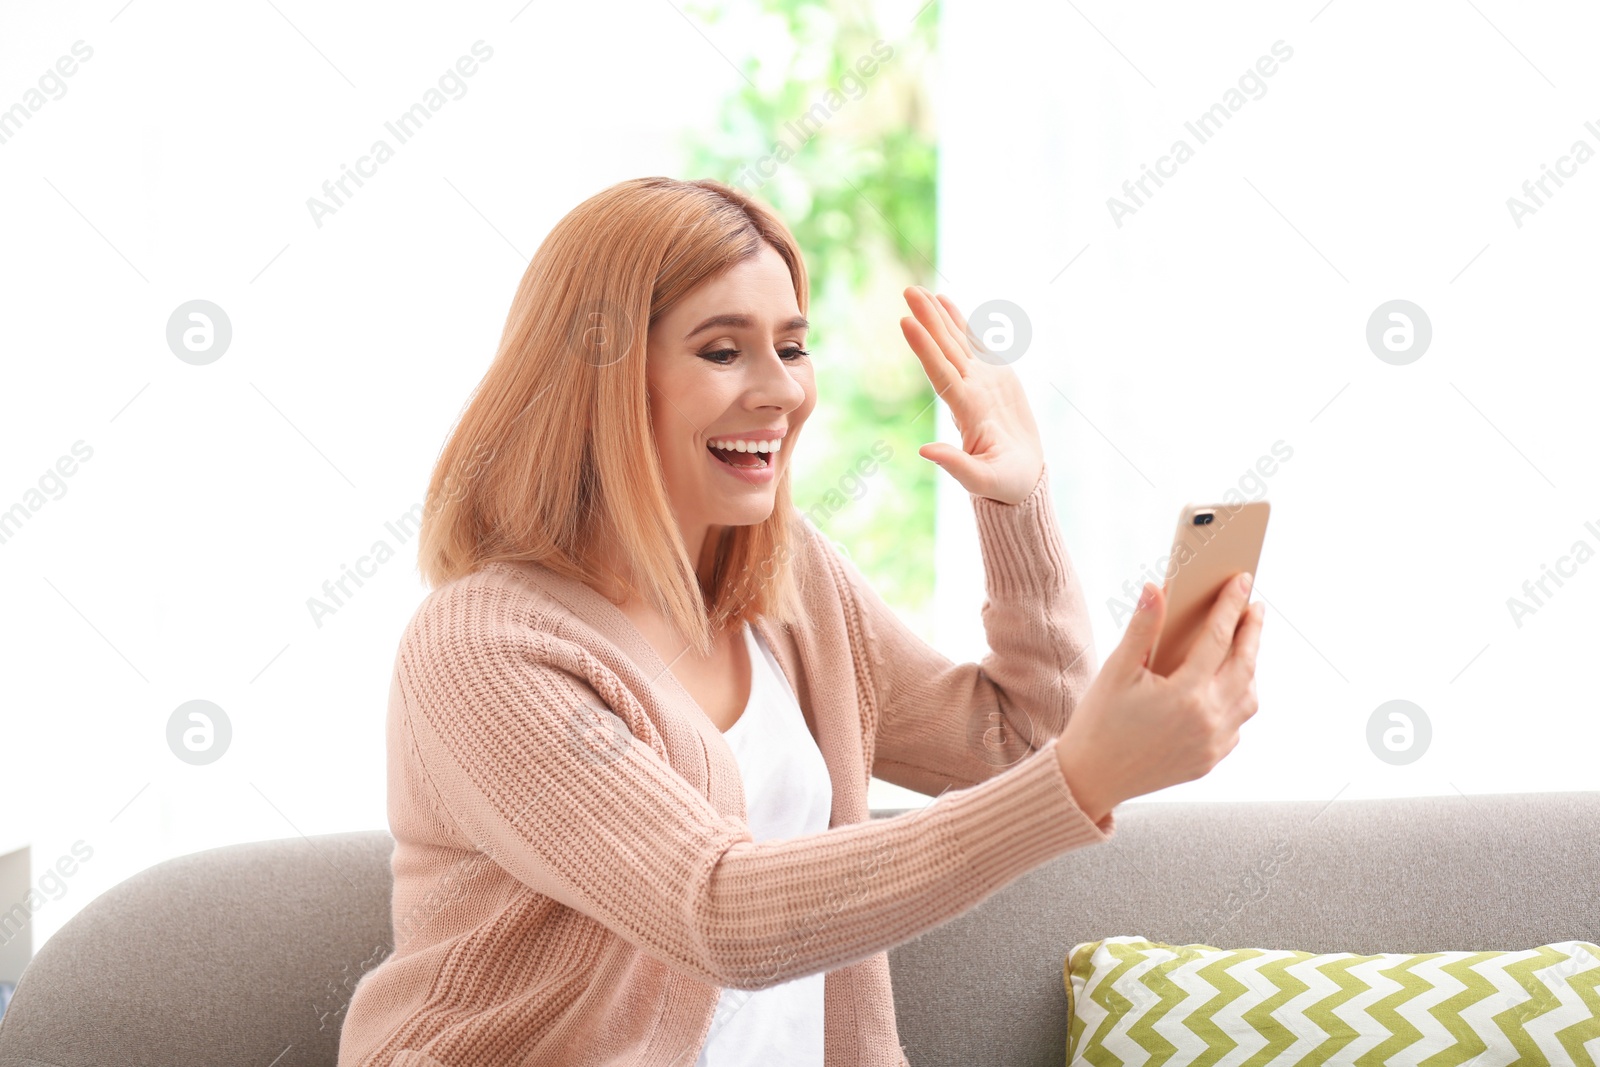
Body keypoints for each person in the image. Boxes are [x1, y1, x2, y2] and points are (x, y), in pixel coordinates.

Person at [336, 176, 1264, 1067]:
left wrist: (1018, 503)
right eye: (721, 349)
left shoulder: (791, 583)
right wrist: (1084, 775)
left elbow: (1017, 741)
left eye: (791, 345)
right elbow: (717, 911)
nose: (781, 391)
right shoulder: (484, 647)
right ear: (603, 380)